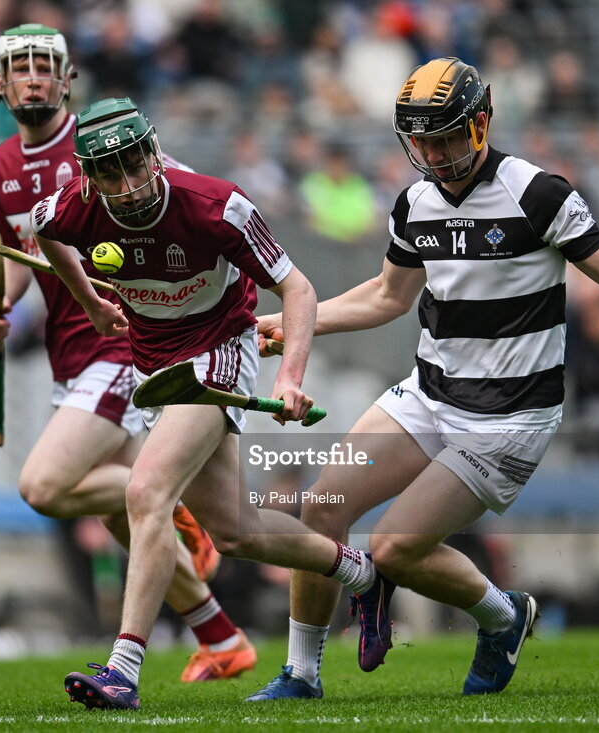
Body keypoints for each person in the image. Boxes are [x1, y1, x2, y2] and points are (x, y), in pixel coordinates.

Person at [249, 56, 599, 700]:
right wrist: (298, 323)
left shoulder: (537, 194)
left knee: (392, 550)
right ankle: (301, 674)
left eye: (446, 136)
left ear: (481, 125)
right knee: (319, 510)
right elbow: (388, 296)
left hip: (508, 419)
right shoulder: (414, 202)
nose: (435, 153)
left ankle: (504, 618)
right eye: (422, 139)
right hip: (429, 393)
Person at [32, 96, 392, 711]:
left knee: (145, 492)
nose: (127, 183)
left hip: (220, 349)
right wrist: (90, 301)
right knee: (237, 533)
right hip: (156, 364)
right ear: (90, 177)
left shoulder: (214, 206)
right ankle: (363, 573)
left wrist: (289, 378)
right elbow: (41, 230)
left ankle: (123, 668)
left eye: (134, 164)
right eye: (110, 173)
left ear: (152, 151)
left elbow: (298, 288)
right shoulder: (76, 206)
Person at [0, 24, 254, 683]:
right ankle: (221, 638)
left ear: (68, 79)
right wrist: (3, 300)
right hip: (66, 353)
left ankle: (177, 509)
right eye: (20, 69)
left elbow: (180, 190)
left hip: (123, 342)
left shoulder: (102, 145)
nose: (34, 78)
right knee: (127, 515)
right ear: (0, 84)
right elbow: (20, 247)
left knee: (45, 487)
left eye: (46, 67)